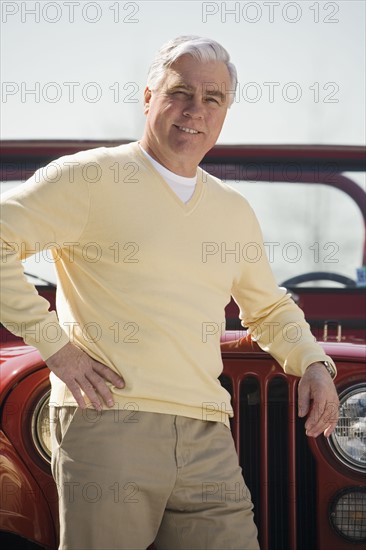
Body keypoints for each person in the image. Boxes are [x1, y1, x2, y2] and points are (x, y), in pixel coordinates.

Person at [0, 36, 339, 550]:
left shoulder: (232, 210)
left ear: (226, 110)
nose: (194, 111)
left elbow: (268, 308)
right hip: (110, 422)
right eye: (180, 92)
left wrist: (313, 363)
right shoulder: (90, 177)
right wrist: (58, 350)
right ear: (147, 97)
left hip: (208, 434)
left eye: (212, 98)